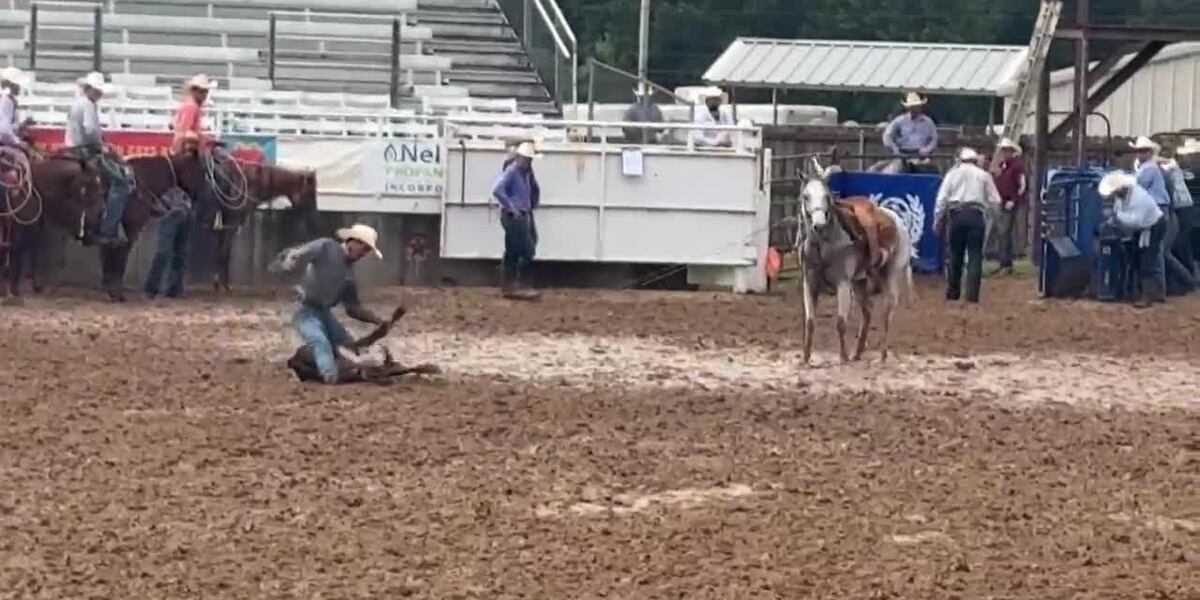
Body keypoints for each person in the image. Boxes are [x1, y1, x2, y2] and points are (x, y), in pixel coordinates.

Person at [269, 224, 387, 384]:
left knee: (348, 344)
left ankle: (338, 370)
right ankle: (330, 377)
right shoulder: (326, 247)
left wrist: (377, 321)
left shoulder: (348, 274)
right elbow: (297, 256)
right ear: (354, 242)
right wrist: (290, 262)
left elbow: (353, 308)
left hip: (322, 312)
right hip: (302, 308)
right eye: (365, 249)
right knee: (320, 342)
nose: (364, 254)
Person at [65, 72, 133, 247]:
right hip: (84, 151)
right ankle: (108, 229)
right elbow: (91, 132)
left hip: (75, 147)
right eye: (97, 91)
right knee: (122, 182)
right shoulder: (87, 105)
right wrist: (102, 146)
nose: (100, 94)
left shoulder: (80, 103)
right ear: (90, 90)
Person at [934, 147, 1002, 303]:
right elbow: (995, 201)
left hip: (957, 215)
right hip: (976, 216)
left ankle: (953, 293)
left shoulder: (952, 175)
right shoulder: (983, 175)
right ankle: (972, 296)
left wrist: (937, 220)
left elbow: (941, 200)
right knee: (975, 255)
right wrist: (995, 219)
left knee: (955, 254)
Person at [1098, 171, 1166, 307]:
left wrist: (1117, 217)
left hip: (1152, 226)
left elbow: (1137, 221)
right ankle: (1152, 293)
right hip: (1144, 228)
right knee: (1138, 258)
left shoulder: (1139, 197)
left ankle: (1148, 296)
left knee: (1147, 259)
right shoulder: (1123, 197)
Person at [491, 141, 540, 300]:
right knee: (526, 249)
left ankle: (510, 285)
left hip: (518, 214)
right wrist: (512, 208)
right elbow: (497, 190)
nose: (529, 163)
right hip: (515, 216)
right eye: (528, 159)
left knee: (513, 250)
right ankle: (518, 284)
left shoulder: (522, 172)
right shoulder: (513, 171)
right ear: (520, 158)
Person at [143, 186, 193, 299]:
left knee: (181, 253)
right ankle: (151, 288)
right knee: (163, 251)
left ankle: (175, 288)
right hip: (167, 211)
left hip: (186, 209)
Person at [989, 137, 1027, 273]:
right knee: (1002, 232)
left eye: (1006, 151)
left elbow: (1022, 186)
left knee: (1004, 232)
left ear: (1012, 152)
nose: (1004, 153)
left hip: (1010, 202)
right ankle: (1004, 262)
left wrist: (1014, 200)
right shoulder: (1002, 166)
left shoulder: (1017, 167)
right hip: (1001, 201)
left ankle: (1005, 263)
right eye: (1003, 150)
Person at [883, 92, 938, 168]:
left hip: (920, 155)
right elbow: (887, 135)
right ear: (907, 108)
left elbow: (934, 139)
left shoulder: (928, 122)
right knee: (897, 169)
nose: (914, 109)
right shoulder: (900, 121)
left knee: (931, 169)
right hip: (902, 155)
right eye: (912, 107)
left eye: (916, 106)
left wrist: (926, 150)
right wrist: (895, 149)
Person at [0, 66, 31, 152]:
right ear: (11, 85)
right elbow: (4, 130)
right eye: (18, 85)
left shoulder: (8, 100)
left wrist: (20, 126)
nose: (20, 88)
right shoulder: (6, 100)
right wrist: (18, 143)